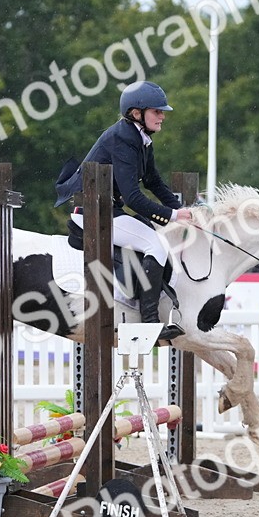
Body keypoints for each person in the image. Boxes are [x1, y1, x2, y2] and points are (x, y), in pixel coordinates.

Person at [54, 80, 193, 341]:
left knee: (151, 233)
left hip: (107, 209)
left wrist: (184, 210)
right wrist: (173, 216)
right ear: (136, 113)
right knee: (155, 245)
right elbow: (133, 197)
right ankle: (150, 321)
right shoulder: (123, 138)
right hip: (94, 213)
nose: (162, 116)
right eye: (157, 111)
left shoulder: (141, 139)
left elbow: (153, 182)